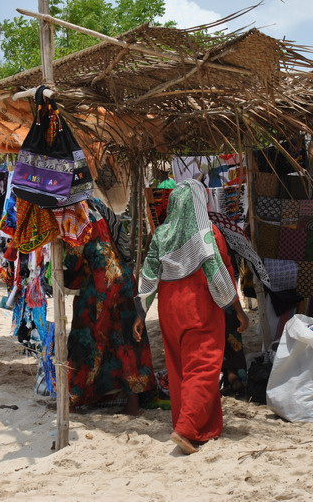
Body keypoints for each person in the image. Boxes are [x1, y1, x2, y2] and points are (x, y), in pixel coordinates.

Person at [133, 179, 249, 454]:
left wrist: (141, 312)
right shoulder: (208, 233)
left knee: (180, 367)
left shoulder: (161, 233)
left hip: (169, 308)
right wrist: (237, 309)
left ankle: (201, 427)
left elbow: (148, 273)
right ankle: (186, 429)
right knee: (204, 365)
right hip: (199, 304)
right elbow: (219, 272)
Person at [64, 199, 155, 415]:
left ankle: (74, 397)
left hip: (99, 285)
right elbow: (121, 238)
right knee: (126, 341)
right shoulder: (97, 205)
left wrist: (58, 276)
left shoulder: (73, 214)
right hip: (123, 279)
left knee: (85, 338)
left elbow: (72, 260)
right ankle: (132, 402)